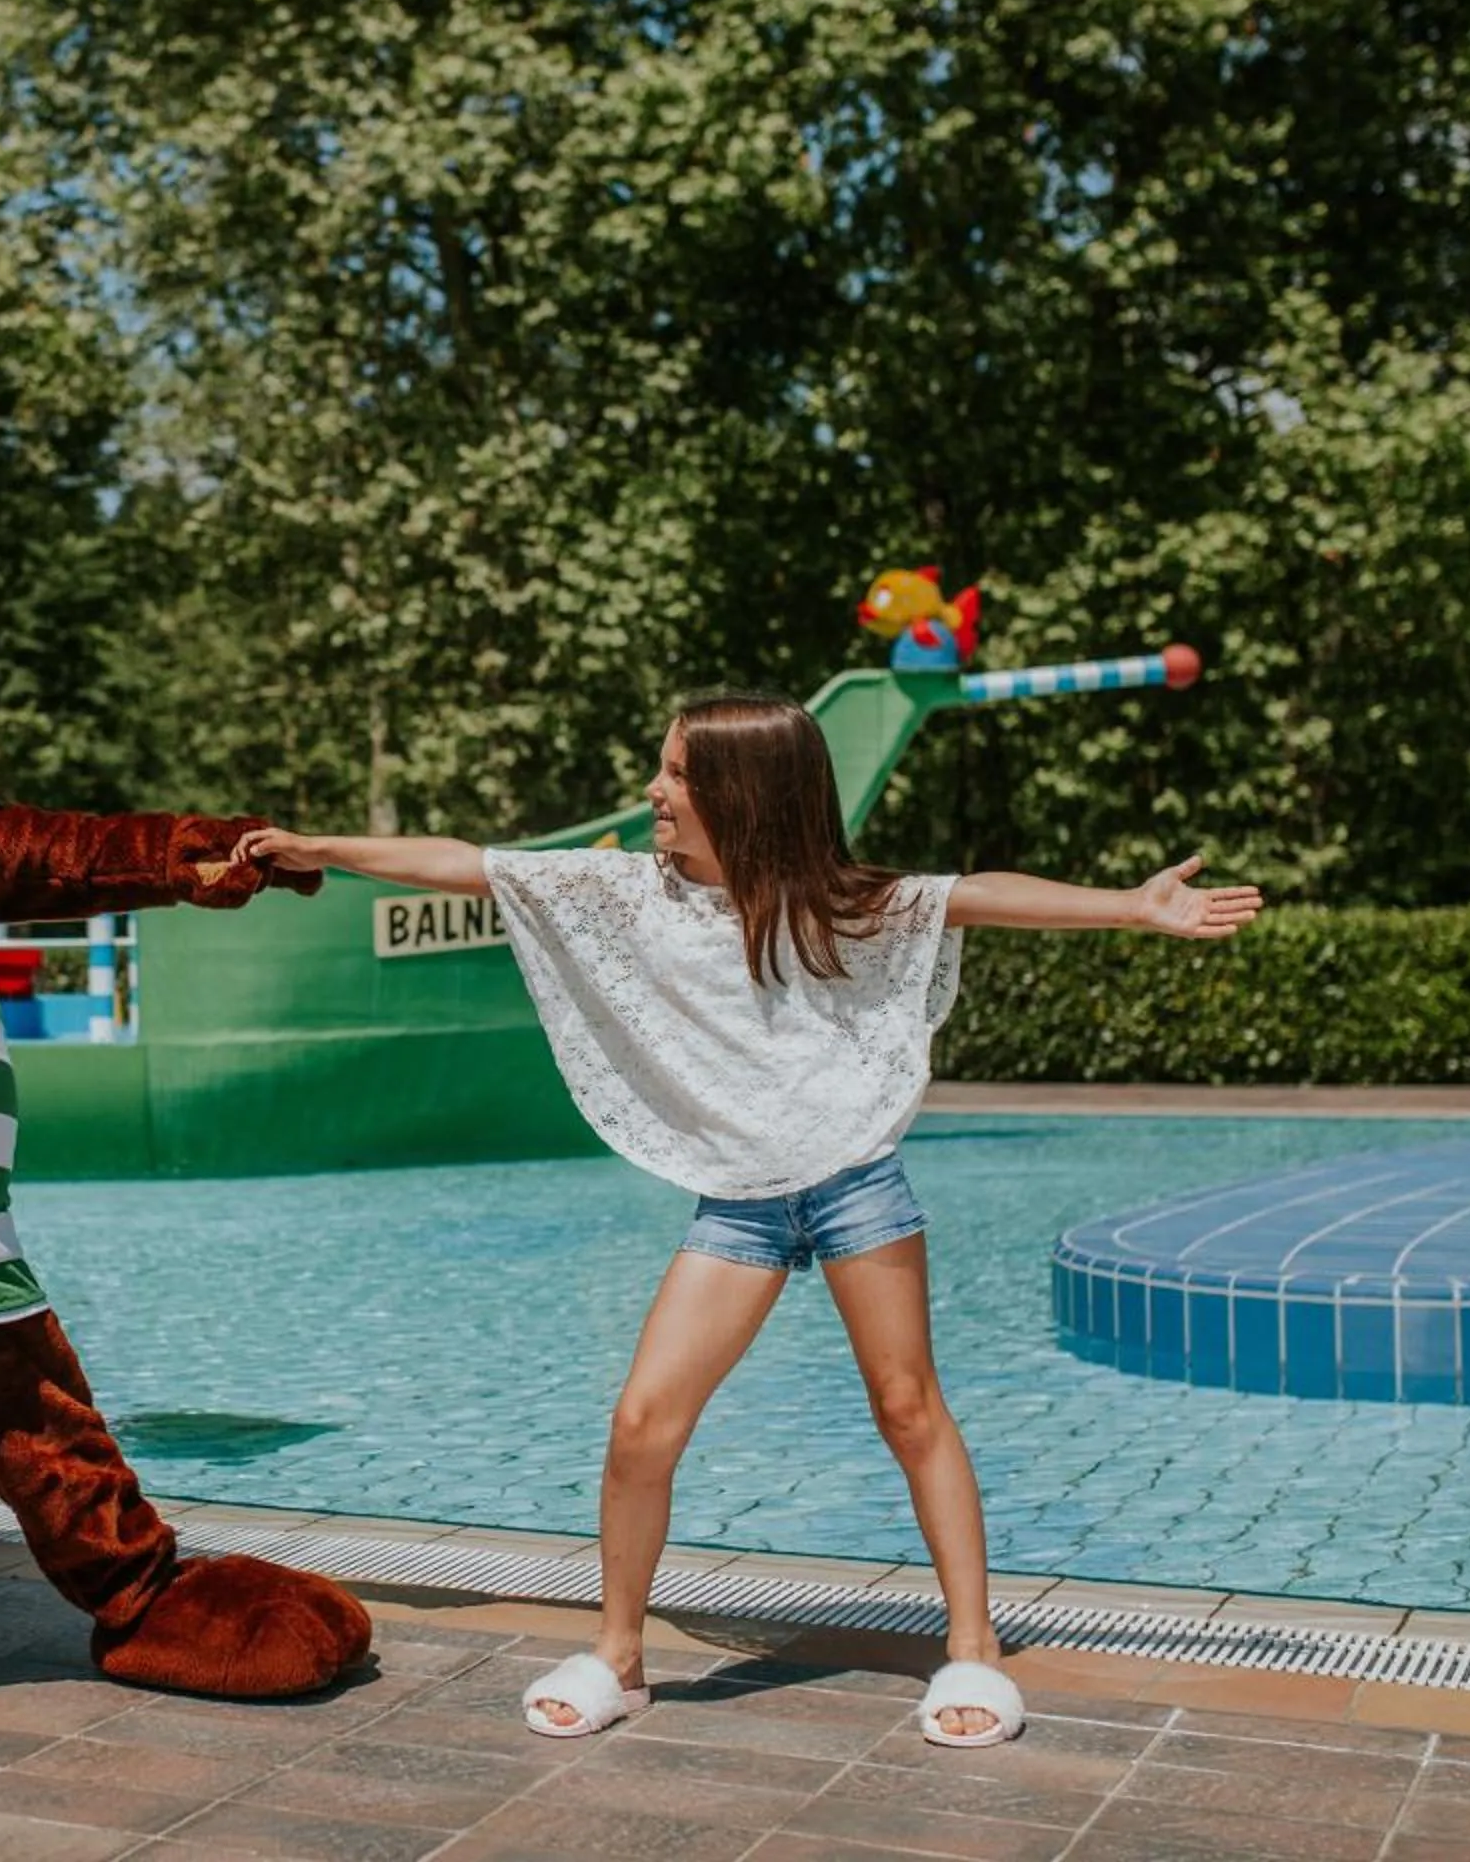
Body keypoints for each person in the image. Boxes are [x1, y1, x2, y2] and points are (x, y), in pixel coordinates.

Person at [231, 692, 1261, 1747]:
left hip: (855, 1178)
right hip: (741, 1200)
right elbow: (466, 862)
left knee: (909, 1408)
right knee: (642, 1421)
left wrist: (1133, 905)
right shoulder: (627, 892)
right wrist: (321, 846)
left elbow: (973, 893)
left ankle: (973, 1648)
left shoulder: (843, 901)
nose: (653, 791)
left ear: (740, 790)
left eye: (674, 773)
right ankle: (620, 1656)